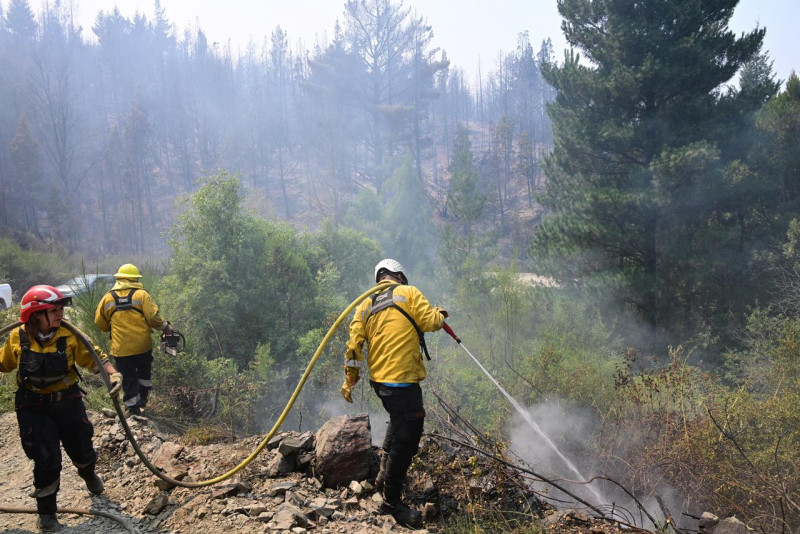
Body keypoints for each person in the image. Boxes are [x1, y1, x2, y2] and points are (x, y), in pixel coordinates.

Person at [0, 285, 122, 532]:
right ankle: (47, 514)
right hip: (31, 404)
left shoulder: (69, 335)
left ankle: (88, 473)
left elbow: (95, 357)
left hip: (67, 400)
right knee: (46, 458)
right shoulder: (18, 337)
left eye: (60, 310)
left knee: (81, 446)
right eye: (53, 310)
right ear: (36, 315)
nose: (60, 315)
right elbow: (4, 364)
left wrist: (113, 374)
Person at [341, 258, 448, 528]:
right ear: (399, 276)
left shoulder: (365, 305)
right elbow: (429, 322)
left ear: (379, 278)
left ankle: (382, 478)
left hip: (381, 384)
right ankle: (391, 502)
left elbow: (354, 346)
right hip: (403, 380)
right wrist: (440, 314)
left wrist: (350, 379)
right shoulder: (409, 293)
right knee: (408, 437)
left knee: (398, 420)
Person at [94, 263, 171, 416]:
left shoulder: (108, 297)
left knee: (128, 378)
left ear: (119, 279)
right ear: (135, 279)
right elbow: (153, 318)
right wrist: (165, 327)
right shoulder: (141, 295)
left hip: (121, 349)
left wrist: (113, 328)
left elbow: (99, 323)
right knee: (144, 373)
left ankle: (132, 409)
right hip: (143, 346)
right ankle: (143, 399)